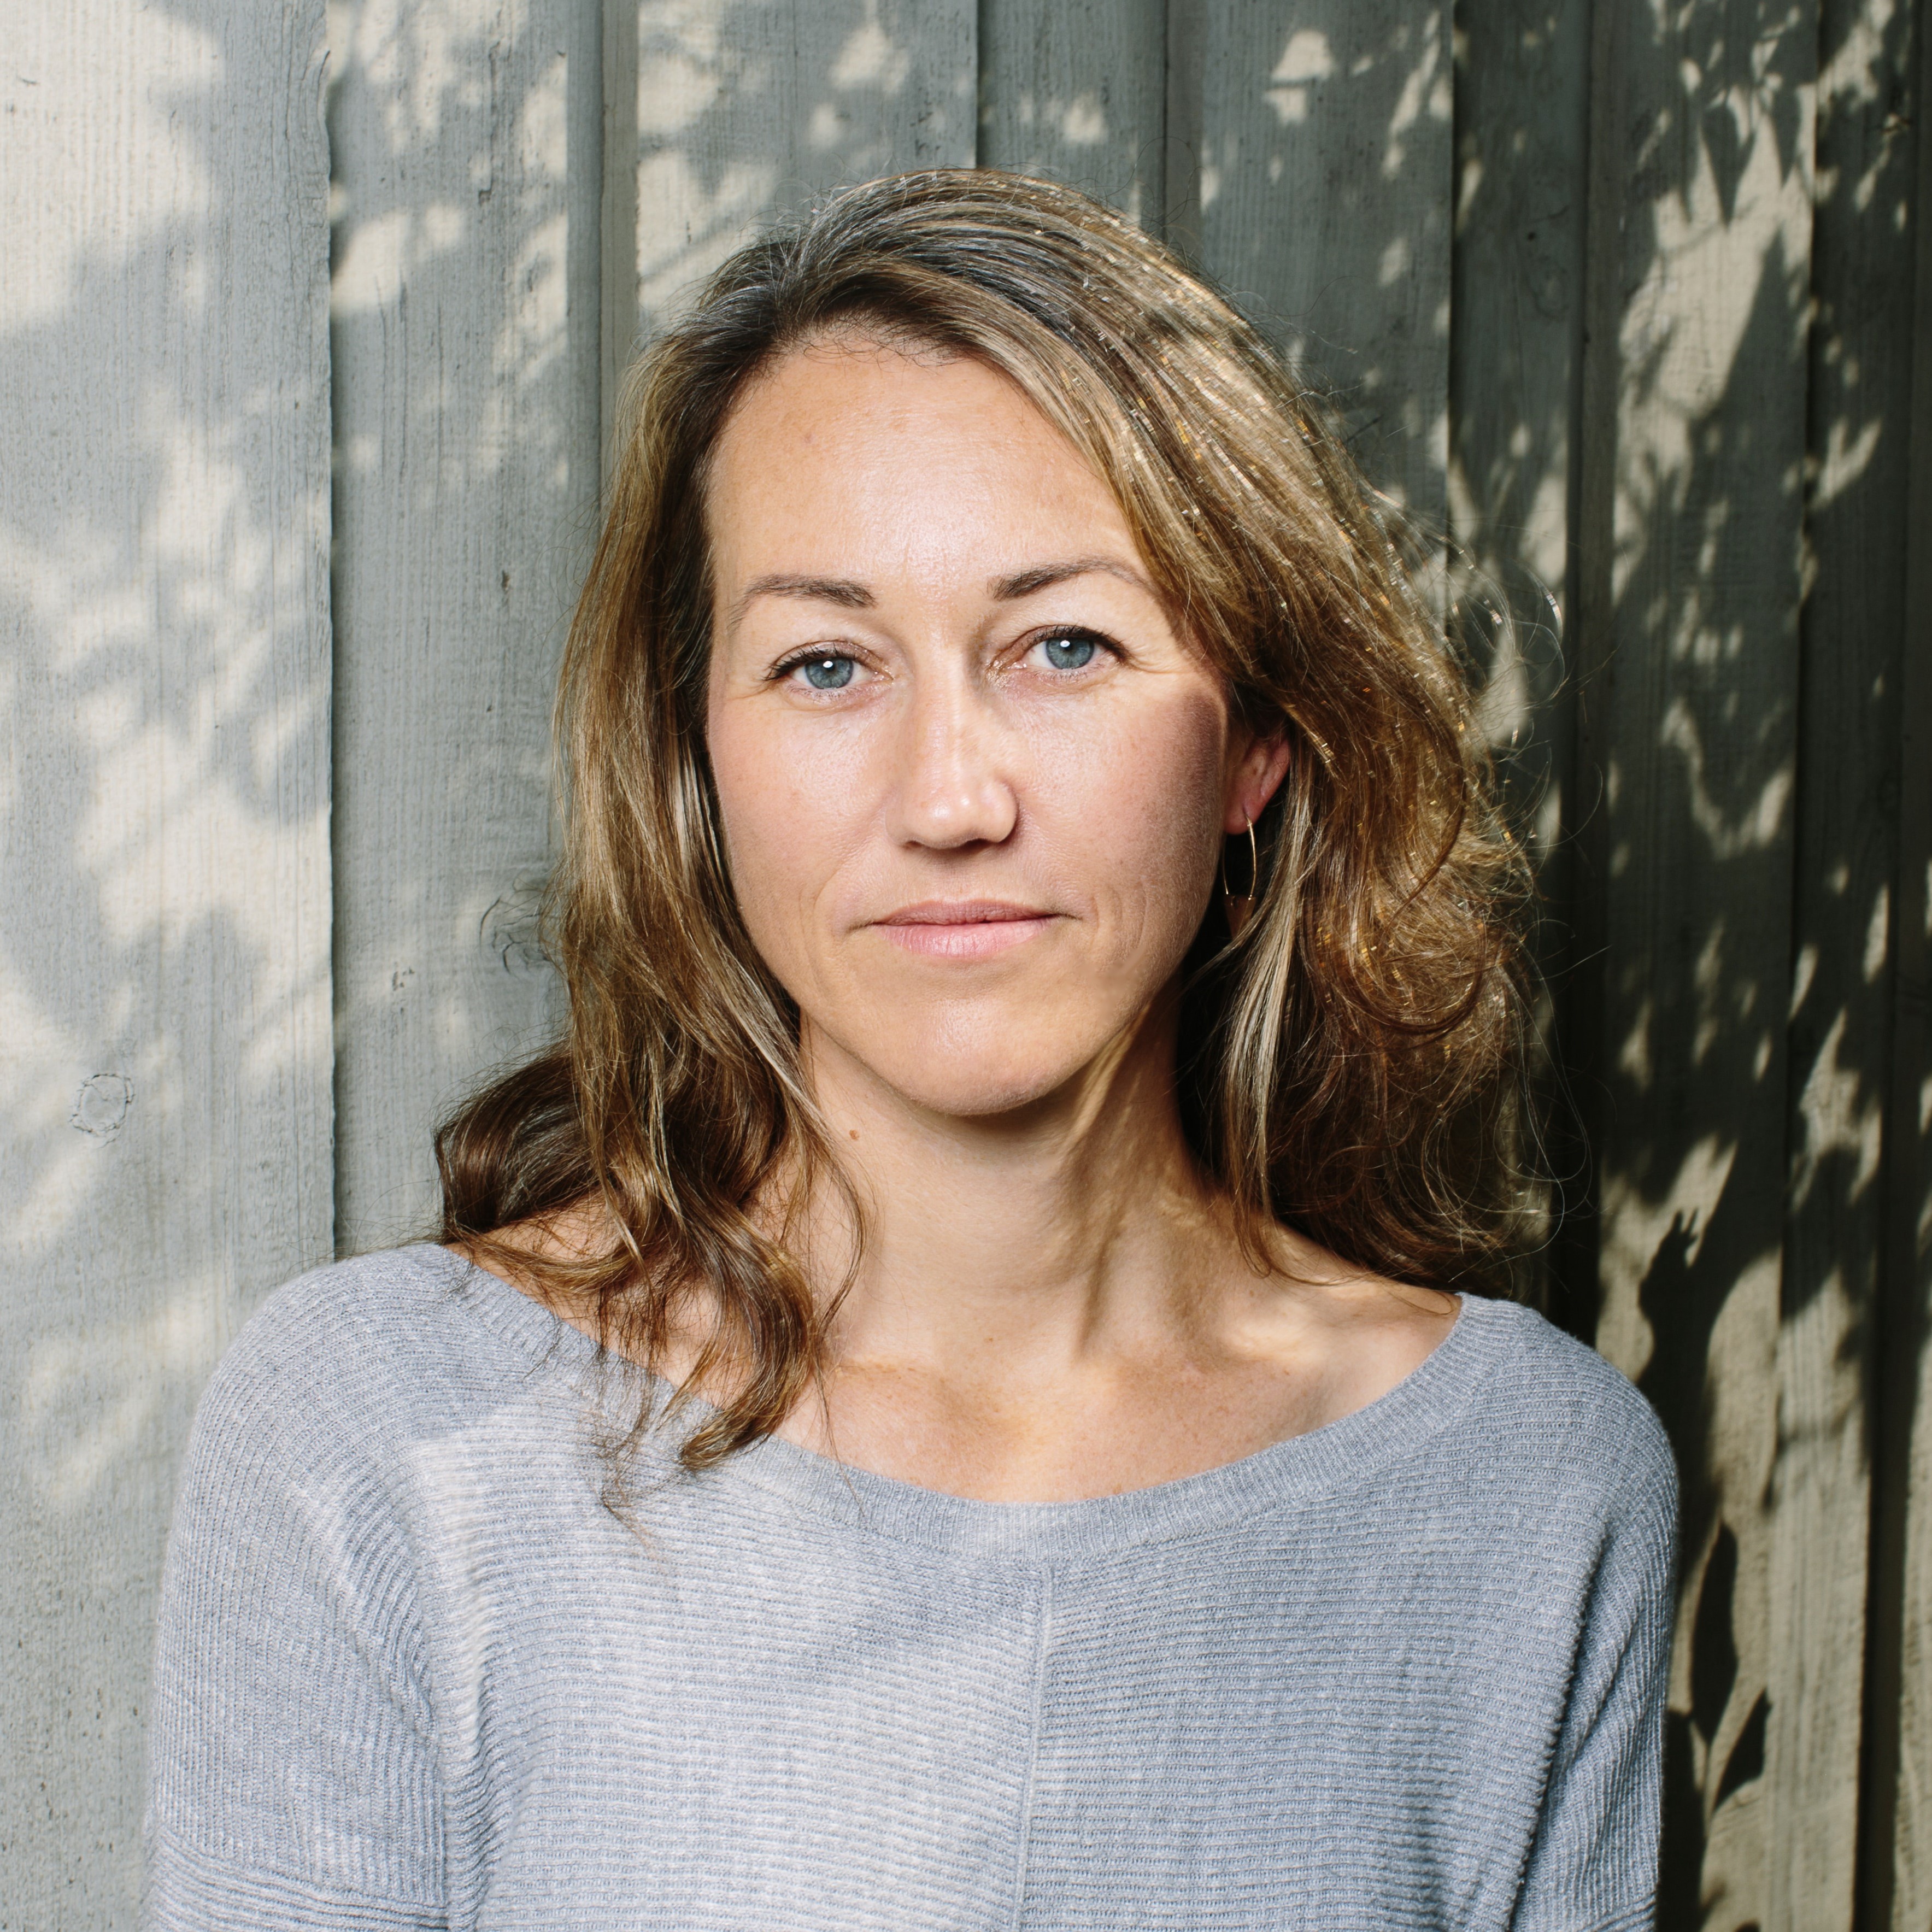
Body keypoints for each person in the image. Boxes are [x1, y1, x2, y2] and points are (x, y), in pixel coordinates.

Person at [142, 170, 1676, 1930]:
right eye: (824, 665)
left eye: (1065, 645)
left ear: (1258, 740)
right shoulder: (377, 1435)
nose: (951, 800)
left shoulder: (1530, 1492)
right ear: (692, 758)